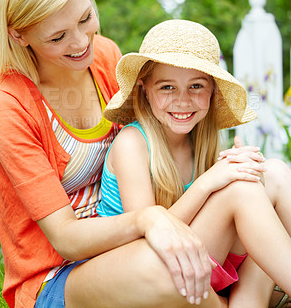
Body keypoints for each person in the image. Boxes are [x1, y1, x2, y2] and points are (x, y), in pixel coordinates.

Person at [0, 0, 241, 308]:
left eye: (85, 18)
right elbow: (65, 238)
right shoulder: (8, 104)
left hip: (129, 245)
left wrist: (216, 167)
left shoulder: (104, 55)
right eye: (57, 37)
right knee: (169, 272)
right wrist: (147, 219)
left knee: (252, 187)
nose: (80, 43)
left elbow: (161, 134)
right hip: (59, 277)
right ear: (18, 35)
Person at [97, 19, 291, 306]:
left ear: (212, 92)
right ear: (144, 90)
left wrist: (244, 172)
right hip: (142, 269)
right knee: (241, 189)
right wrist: (210, 181)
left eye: (196, 86)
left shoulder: (200, 141)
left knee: (270, 172)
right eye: (167, 87)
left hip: (192, 260)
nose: (183, 101)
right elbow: (148, 233)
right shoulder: (132, 143)